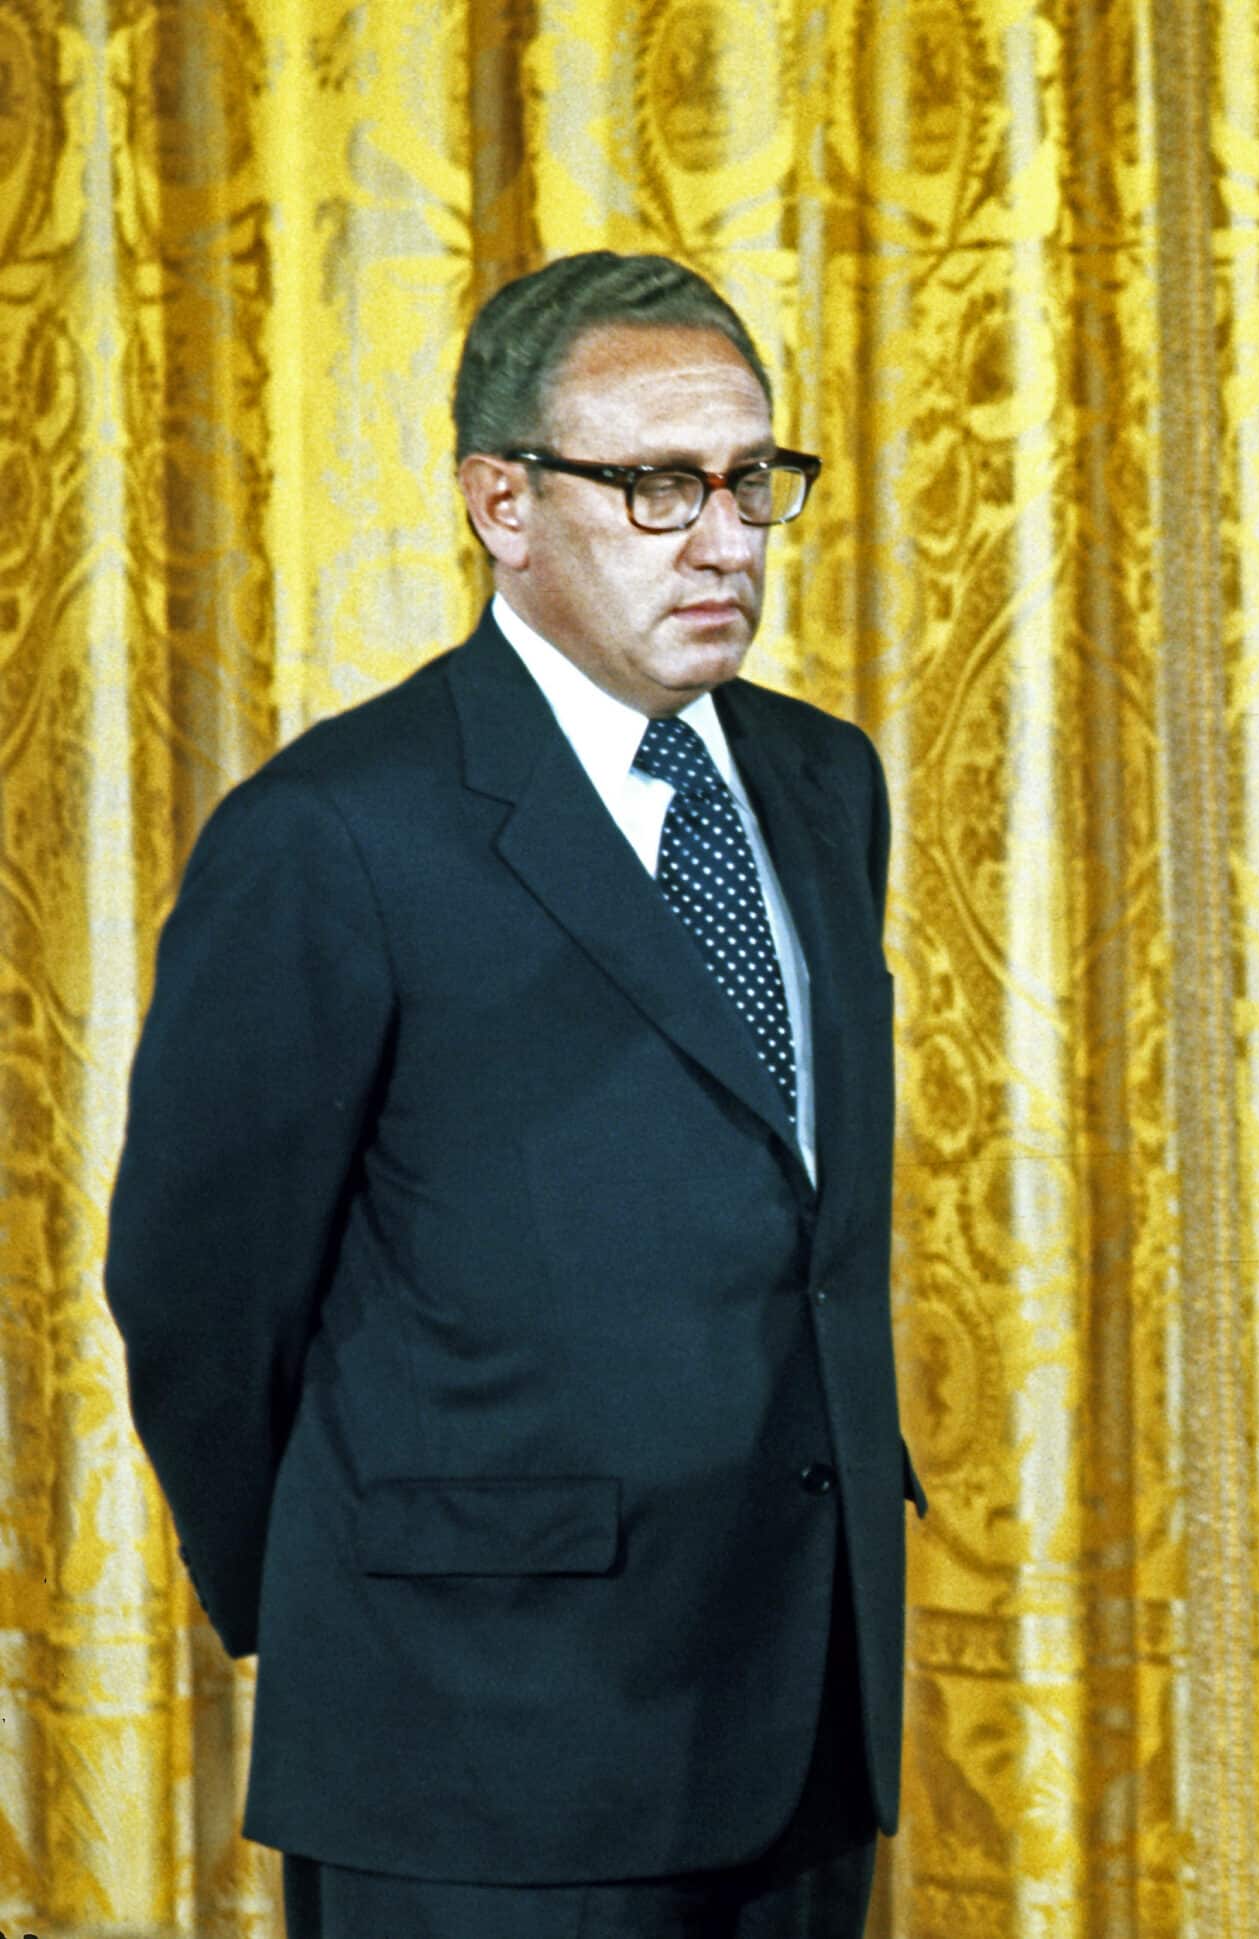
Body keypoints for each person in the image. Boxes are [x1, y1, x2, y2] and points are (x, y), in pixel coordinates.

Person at [104, 251, 920, 1938]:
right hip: (473, 1745)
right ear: (502, 503)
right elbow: (200, 1287)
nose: (727, 541)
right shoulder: (334, 833)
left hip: (805, 1721)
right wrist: (358, 1594)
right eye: (656, 487)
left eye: (751, 480)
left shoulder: (825, 781)